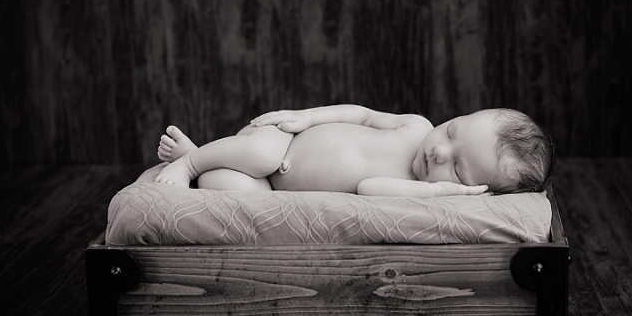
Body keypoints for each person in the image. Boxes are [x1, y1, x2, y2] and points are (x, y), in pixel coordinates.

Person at [154, 104, 554, 197]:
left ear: (471, 191)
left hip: (273, 189)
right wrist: (305, 117)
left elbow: (367, 189)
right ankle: (192, 159)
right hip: (282, 141)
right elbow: (360, 114)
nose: (439, 153)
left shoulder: (415, 193)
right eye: (452, 131)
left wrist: (440, 193)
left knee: (239, 195)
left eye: (459, 172)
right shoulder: (416, 126)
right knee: (260, 156)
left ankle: (203, 165)